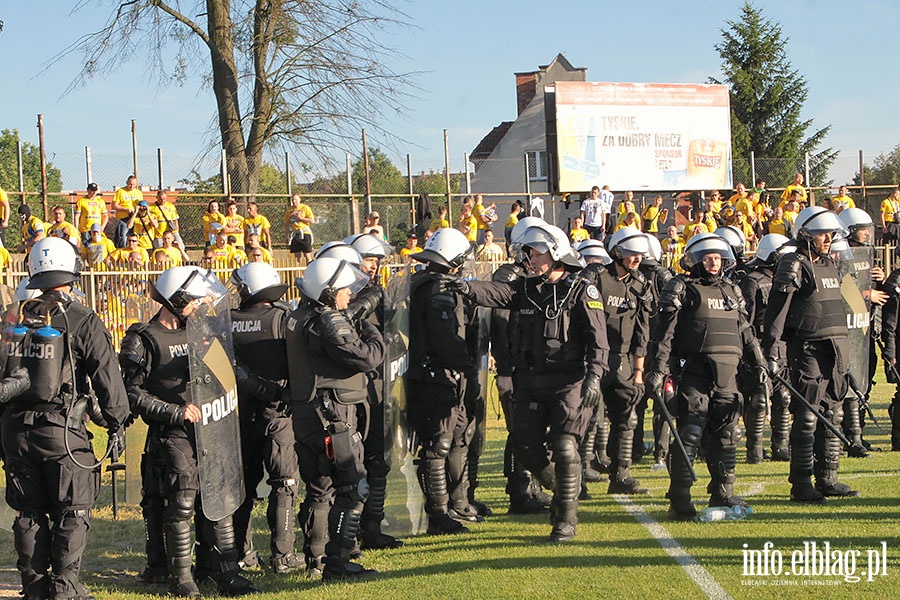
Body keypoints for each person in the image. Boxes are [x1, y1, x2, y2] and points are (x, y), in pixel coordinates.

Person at [458, 222, 609, 542]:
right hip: (529, 382)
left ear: (555, 254)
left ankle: (565, 520)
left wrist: (595, 376)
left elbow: (598, 340)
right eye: (527, 252)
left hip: (569, 382)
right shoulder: (524, 289)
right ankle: (562, 488)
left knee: (566, 447)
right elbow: (495, 293)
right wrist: (464, 286)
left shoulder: (582, 290)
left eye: (534, 252)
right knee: (525, 447)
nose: (528, 258)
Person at [2, 237, 129, 600]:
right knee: (73, 508)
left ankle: (34, 587)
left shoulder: (14, 318)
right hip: (62, 431)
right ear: (71, 271)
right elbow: (107, 375)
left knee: (28, 511)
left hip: (14, 430)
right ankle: (65, 585)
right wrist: (118, 421)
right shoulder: (80, 318)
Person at [120, 266, 255, 598]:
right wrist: (175, 412)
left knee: (219, 498)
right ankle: (180, 577)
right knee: (182, 500)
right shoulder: (143, 338)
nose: (199, 306)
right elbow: (131, 394)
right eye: (193, 301)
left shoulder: (201, 330)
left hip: (211, 427)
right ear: (177, 299)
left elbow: (222, 373)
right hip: (172, 432)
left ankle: (224, 571)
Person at [646, 233, 768, 520]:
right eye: (707, 258)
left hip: (729, 374)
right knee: (690, 432)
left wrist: (759, 363)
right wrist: (658, 370)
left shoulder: (731, 290)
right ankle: (679, 498)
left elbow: (746, 332)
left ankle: (723, 492)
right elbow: (664, 334)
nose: (714, 263)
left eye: (718, 258)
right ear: (695, 259)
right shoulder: (681, 287)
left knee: (727, 435)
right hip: (694, 372)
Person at [285, 257, 383, 580]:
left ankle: (316, 558)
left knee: (319, 489)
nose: (349, 297)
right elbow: (366, 356)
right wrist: (369, 327)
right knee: (353, 486)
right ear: (327, 294)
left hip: (308, 415)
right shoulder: (329, 322)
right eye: (343, 291)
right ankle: (338, 563)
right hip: (333, 416)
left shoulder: (297, 317)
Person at [763, 206, 860, 502]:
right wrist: (773, 350)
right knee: (807, 416)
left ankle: (828, 478)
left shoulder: (831, 265)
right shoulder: (793, 264)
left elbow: (850, 303)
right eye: (822, 233)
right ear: (806, 234)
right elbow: (776, 314)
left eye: (831, 233)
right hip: (807, 349)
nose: (828, 238)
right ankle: (802, 484)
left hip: (835, 350)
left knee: (832, 412)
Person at [228, 262, 303, 574]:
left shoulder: (227, 321)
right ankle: (283, 555)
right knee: (284, 484)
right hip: (278, 414)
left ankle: (242, 553)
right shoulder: (283, 319)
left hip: (238, 417)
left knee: (241, 487)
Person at [407, 228, 477, 536]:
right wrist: (468, 365)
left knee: (452, 440)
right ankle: (438, 514)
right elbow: (446, 340)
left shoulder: (422, 284)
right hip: (437, 377)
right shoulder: (438, 292)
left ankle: (453, 504)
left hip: (433, 376)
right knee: (437, 447)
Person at [342, 234, 405, 550]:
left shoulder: (380, 293)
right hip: (352, 391)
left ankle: (372, 529)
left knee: (379, 459)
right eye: (370, 260)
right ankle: (348, 534)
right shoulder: (340, 296)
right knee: (354, 463)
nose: (374, 267)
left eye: (378, 261)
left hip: (380, 386)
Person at [582, 227, 651, 496]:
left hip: (622, 360)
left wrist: (638, 372)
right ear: (618, 252)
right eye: (632, 253)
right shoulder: (597, 277)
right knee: (587, 419)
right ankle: (579, 478)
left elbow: (642, 331)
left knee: (627, 417)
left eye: (640, 254)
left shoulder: (640, 285)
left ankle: (620, 475)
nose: (636, 258)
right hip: (594, 358)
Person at [739, 234, 795, 463]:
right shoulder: (752, 281)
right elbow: (746, 321)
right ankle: (755, 450)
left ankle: (781, 447)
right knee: (759, 398)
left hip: (781, 345)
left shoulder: (789, 279)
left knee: (784, 397)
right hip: (759, 345)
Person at [112, 175, 143, 248]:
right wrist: (126, 209)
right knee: (123, 237)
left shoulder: (139, 193)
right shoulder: (120, 191)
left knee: (136, 237)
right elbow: (114, 206)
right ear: (126, 182)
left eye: (134, 184)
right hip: (124, 219)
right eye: (130, 184)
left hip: (136, 218)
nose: (131, 186)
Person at [284, 193, 315, 264]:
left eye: (296, 199)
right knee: (296, 256)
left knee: (307, 254)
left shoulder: (305, 208)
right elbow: (286, 224)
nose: (294, 201)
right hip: (295, 234)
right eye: (293, 200)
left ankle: (308, 270)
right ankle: (298, 272)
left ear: (300, 199)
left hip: (305, 233)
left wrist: (301, 218)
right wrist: (286, 236)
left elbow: (312, 220)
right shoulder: (289, 210)